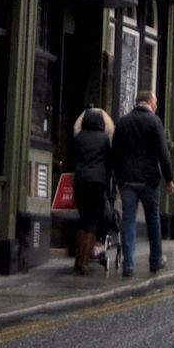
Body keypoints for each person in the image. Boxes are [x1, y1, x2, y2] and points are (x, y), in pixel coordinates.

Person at [110, 89, 174, 278]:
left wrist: (118, 179)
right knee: (153, 219)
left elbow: (115, 153)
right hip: (149, 180)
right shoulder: (154, 122)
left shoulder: (122, 122)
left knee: (128, 220)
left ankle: (128, 265)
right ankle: (155, 260)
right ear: (148, 102)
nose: (156, 106)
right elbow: (163, 153)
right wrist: (169, 179)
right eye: (155, 102)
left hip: (127, 181)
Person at [70, 104, 114, 276]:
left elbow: (73, 159)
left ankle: (78, 259)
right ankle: (85, 262)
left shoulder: (78, 138)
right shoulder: (103, 138)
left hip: (80, 181)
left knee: (83, 219)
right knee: (92, 221)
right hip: (97, 182)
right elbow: (108, 162)